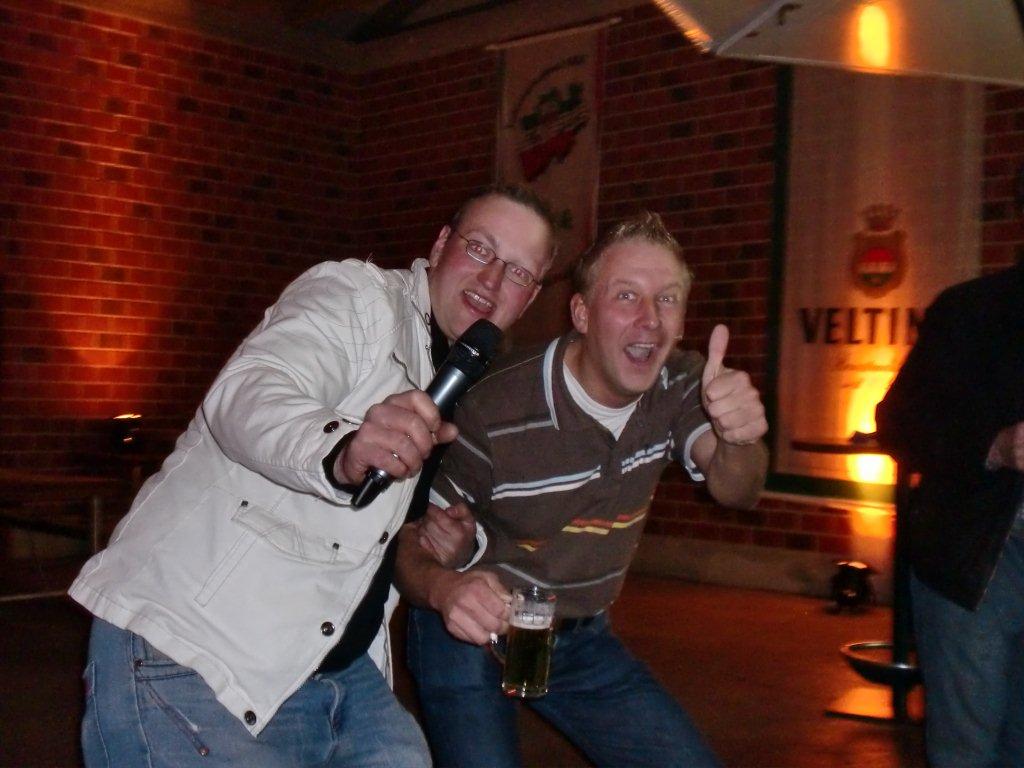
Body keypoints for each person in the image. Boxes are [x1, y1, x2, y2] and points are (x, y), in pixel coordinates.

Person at [68, 184, 558, 767]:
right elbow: (250, 392)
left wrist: (434, 538)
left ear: (530, 299)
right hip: (196, 649)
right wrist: (342, 451)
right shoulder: (356, 298)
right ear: (440, 245)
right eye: (480, 248)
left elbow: (371, 528)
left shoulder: (459, 380)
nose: (493, 279)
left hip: (340, 674)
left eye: (519, 272)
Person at [396, 211, 769, 768]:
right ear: (582, 314)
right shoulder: (495, 407)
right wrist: (446, 588)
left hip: (578, 634)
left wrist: (739, 437)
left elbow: (738, 489)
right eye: (626, 296)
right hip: (469, 632)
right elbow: (409, 546)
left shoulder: (683, 384)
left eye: (667, 299)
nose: (649, 319)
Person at [875, 260, 1024, 768]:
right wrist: (994, 445)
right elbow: (898, 423)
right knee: (967, 750)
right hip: (979, 564)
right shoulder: (974, 310)